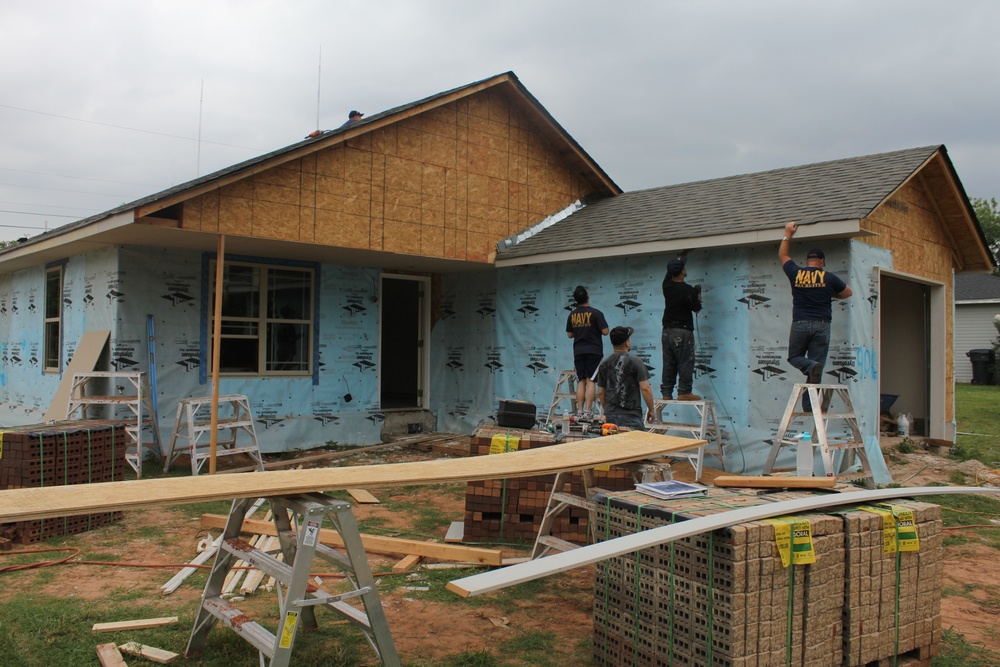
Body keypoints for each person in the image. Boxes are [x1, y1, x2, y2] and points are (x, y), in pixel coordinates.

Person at [778, 221, 852, 408]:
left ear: (807, 261)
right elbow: (847, 293)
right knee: (816, 366)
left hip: (800, 323)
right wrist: (829, 293)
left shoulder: (796, 272)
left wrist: (788, 233)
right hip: (822, 324)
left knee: (795, 357)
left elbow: (783, 255)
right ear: (822, 262)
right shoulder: (828, 277)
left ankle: (809, 369)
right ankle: (810, 406)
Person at [596, 326, 656, 431]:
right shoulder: (635, 361)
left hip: (610, 417)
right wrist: (651, 409)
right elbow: (645, 388)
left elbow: (601, 392)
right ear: (627, 343)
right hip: (631, 416)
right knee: (639, 446)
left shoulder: (604, 364)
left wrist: (608, 411)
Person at [660, 255, 703, 400]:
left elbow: (669, 273)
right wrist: (697, 297)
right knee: (685, 361)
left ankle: (666, 393)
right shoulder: (688, 290)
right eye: (683, 267)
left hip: (667, 331)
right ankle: (684, 391)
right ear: (682, 272)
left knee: (668, 363)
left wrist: (678, 257)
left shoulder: (666, 285)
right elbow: (696, 309)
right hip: (682, 331)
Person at [565, 286, 609, 418]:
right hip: (594, 351)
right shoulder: (596, 313)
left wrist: (581, 330)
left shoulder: (572, 315)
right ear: (588, 296)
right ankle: (588, 411)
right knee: (591, 381)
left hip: (578, 351)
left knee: (581, 381)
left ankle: (579, 411)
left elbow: (569, 334)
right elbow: (606, 331)